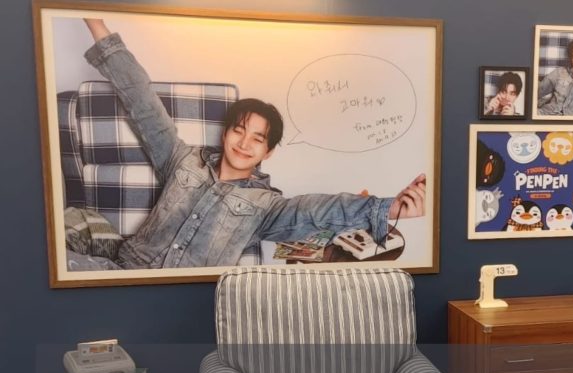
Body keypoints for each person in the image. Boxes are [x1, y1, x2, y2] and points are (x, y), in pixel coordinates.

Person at [73, 19, 425, 270]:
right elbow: (143, 103)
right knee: (62, 239)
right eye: (239, 131)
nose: (244, 143)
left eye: (258, 138)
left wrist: (389, 208)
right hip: (125, 272)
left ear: (267, 152)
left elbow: (316, 211)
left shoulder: (265, 206)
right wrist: (95, 20)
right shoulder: (182, 160)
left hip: (184, 298)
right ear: (225, 134)